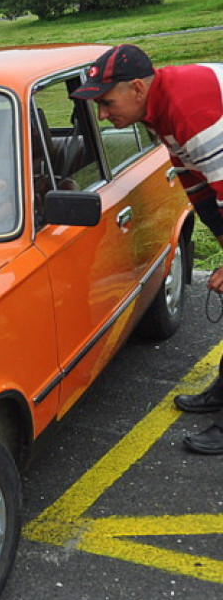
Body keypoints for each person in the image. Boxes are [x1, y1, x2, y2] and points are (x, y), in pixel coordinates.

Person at [71, 44, 223, 455]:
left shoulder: (190, 107)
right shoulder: (158, 108)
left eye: (106, 101)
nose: (103, 114)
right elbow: (197, 184)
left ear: (137, 88)